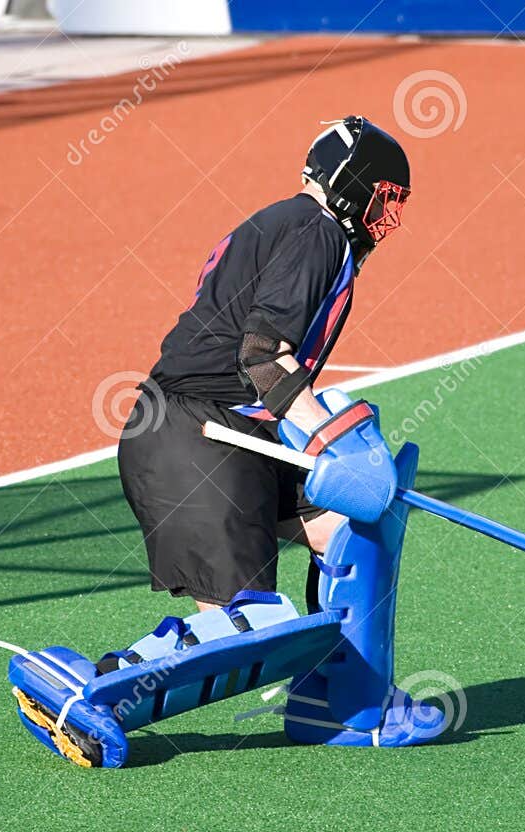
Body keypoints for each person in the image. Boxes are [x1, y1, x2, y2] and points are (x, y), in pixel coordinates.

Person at [117, 115, 411, 619]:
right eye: (383, 197)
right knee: (245, 631)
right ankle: (92, 689)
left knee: (351, 535)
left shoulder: (292, 224)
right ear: (352, 183)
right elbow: (264, 354)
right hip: (197, 434)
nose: (385, 217)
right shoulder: (319, 232)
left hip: (230, 427)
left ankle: (345, 695)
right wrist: (328, 438)